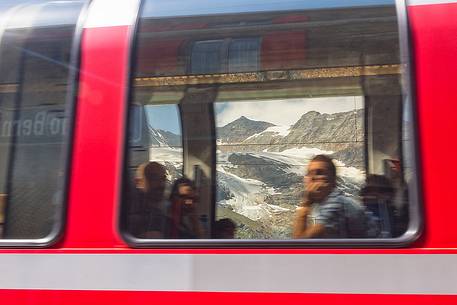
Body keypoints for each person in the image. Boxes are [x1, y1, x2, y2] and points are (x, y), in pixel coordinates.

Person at [293, 155, 369, 239]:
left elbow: (300, 243)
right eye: (309, 173)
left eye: (319, 173)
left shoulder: (335, 204)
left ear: (333, 180)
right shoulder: (326, 202)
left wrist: (306, 203)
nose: (312, 178)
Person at [127, 161, 168, 238]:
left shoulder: (163, 209)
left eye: (163, 179)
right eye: (154, 178)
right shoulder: (134, 215)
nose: (161, 184)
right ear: (138, 182)